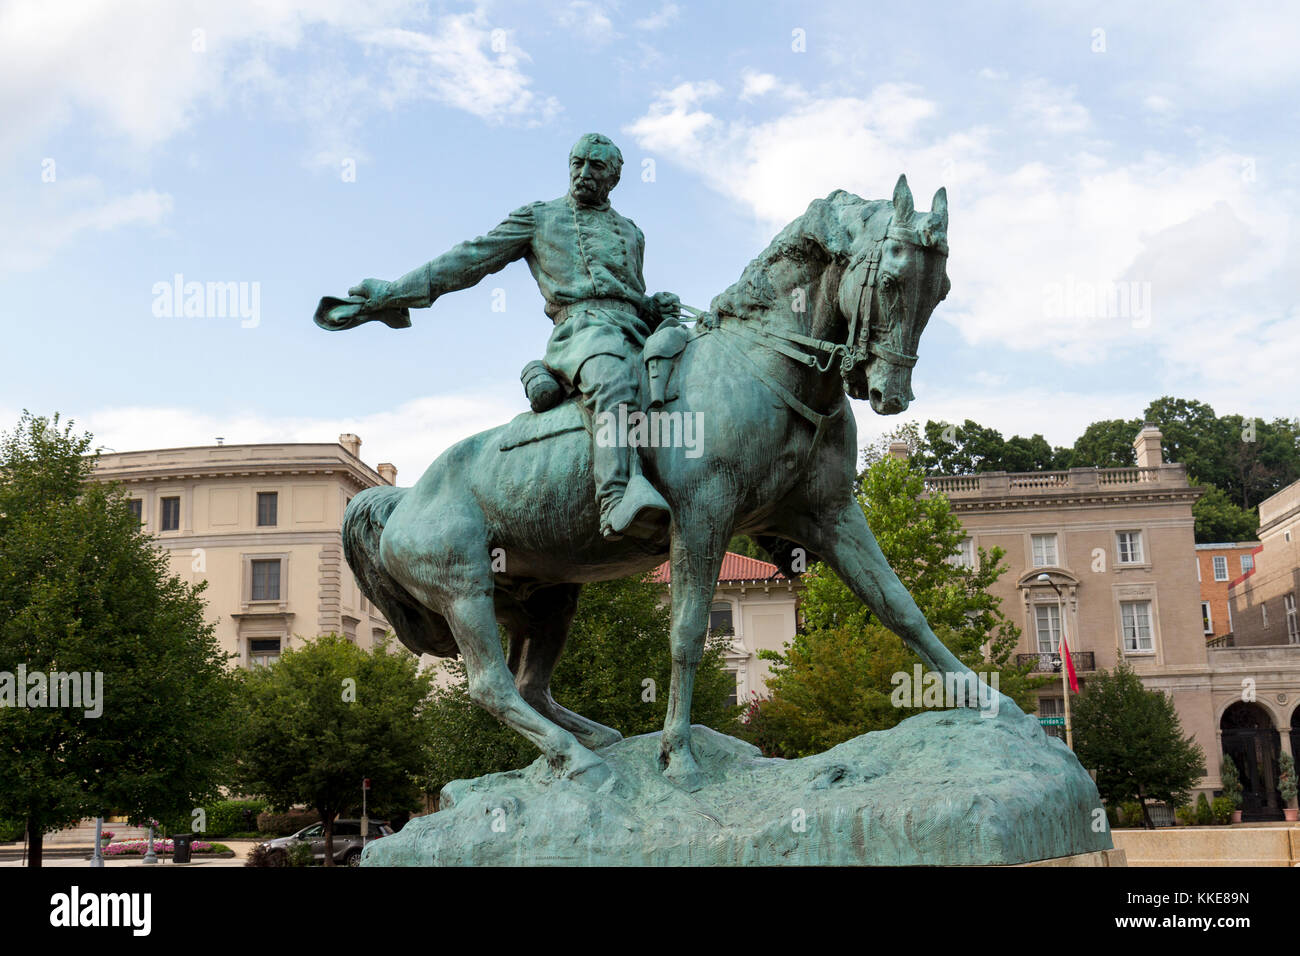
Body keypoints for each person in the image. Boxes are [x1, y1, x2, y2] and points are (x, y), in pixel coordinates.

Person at [344, 133, 677, 540]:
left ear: (614, 177)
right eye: (578, 163)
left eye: (596, 167)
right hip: (582, 331)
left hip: (636, 331)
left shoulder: (631, 232)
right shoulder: (540, 217)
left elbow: (630, 293)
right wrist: (396, 292)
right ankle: (616, 497)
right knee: (613, 379)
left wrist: (653, 307)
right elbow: (470, 258)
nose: (584, 173)